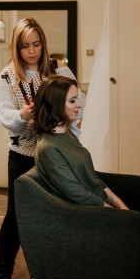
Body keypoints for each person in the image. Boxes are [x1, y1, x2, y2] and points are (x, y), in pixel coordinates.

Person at [0, 17, 83, 279]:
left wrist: (69, 121)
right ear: (16, 47)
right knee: (16, 216)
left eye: (36, 44)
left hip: (56, 153)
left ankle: (54, 268)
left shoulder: (60, 70)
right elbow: (3, 113)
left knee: (57, 211)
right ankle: (2, 271)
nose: (32, 51)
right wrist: (22, 115)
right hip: (22, 155)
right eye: (25, 46)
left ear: (43, 43)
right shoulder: (8, 76)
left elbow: (78, 101)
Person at [33, 75, 129, 208]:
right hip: (84, 212)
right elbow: (76, 193)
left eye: (77, 98)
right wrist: (114, 211)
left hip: (98, 200)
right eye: (72, 101)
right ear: (55, 104)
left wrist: (118, 203)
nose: (79, 104)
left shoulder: (66, 132)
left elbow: (90, 177)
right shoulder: (48, 148)